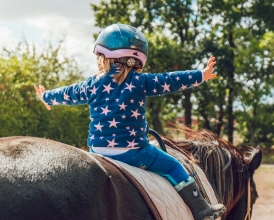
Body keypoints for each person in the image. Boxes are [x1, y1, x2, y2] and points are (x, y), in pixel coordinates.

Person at [34, 23, 226, 220]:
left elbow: (68, 93)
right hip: (133, 152)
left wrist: (47, 97)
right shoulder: (140, 82)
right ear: (137, 59)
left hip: (98, 151)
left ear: (102, 57)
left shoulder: (91, 84)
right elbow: (170, 80)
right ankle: (202, 210)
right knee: (173, 166)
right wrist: (201, 75)